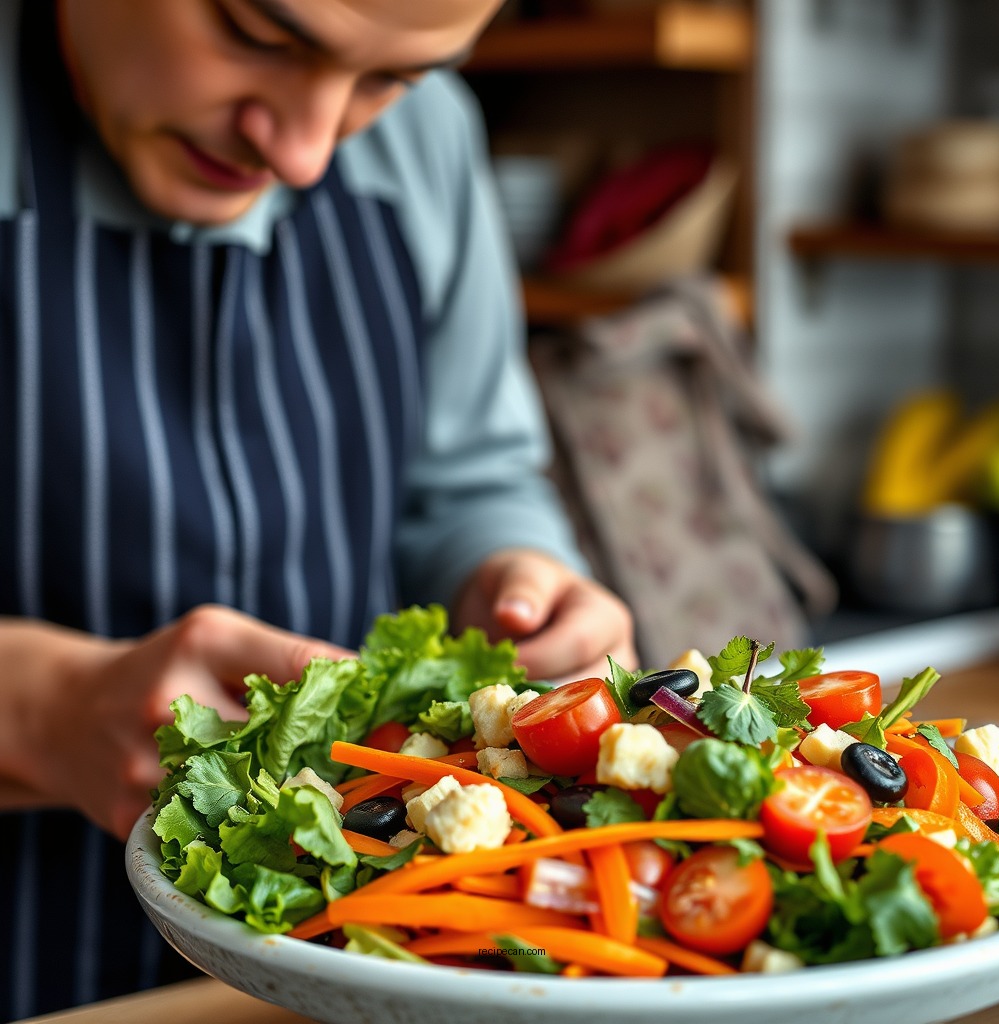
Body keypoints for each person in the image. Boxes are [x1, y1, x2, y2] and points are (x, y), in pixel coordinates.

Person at [0, 1, 637, 1018]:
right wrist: (42, 709)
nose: (303, 153)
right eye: (257, 33)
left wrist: (509, 570)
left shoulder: (430, 146)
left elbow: (468, 479)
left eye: (391, 78)